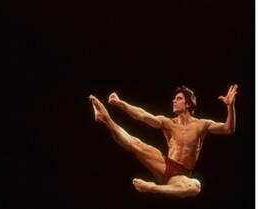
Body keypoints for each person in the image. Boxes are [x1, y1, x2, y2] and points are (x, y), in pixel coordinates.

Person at [89, 84, 238, 198]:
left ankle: (152, 188)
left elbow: (228, 129)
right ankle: (104, 119)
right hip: (165, 164)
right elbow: (142, 115)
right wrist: (120, 103)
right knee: (136, 144)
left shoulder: (201, 125)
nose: (174, 101)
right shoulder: (168, 122)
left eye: (178, 99)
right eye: (174, 98)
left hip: (181, 175)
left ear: (188, 104)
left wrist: (230, 106)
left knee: (195, 186)